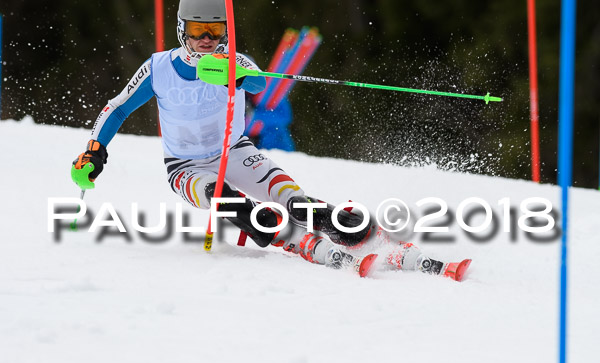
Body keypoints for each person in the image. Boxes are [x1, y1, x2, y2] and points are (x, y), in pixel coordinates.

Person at [72, 0, 470, 280]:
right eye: (198, 31)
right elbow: (117, 107)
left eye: (215, 30)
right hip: (186, 168)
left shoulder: (235, 61)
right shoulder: (158, 68)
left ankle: (374, 239)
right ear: (182, 31)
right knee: (228, 201)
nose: (208, 39)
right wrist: (95, 150)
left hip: (236, 151)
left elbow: (262, 81)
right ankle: (300, 243)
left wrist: (236, 76)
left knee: (298, 202)